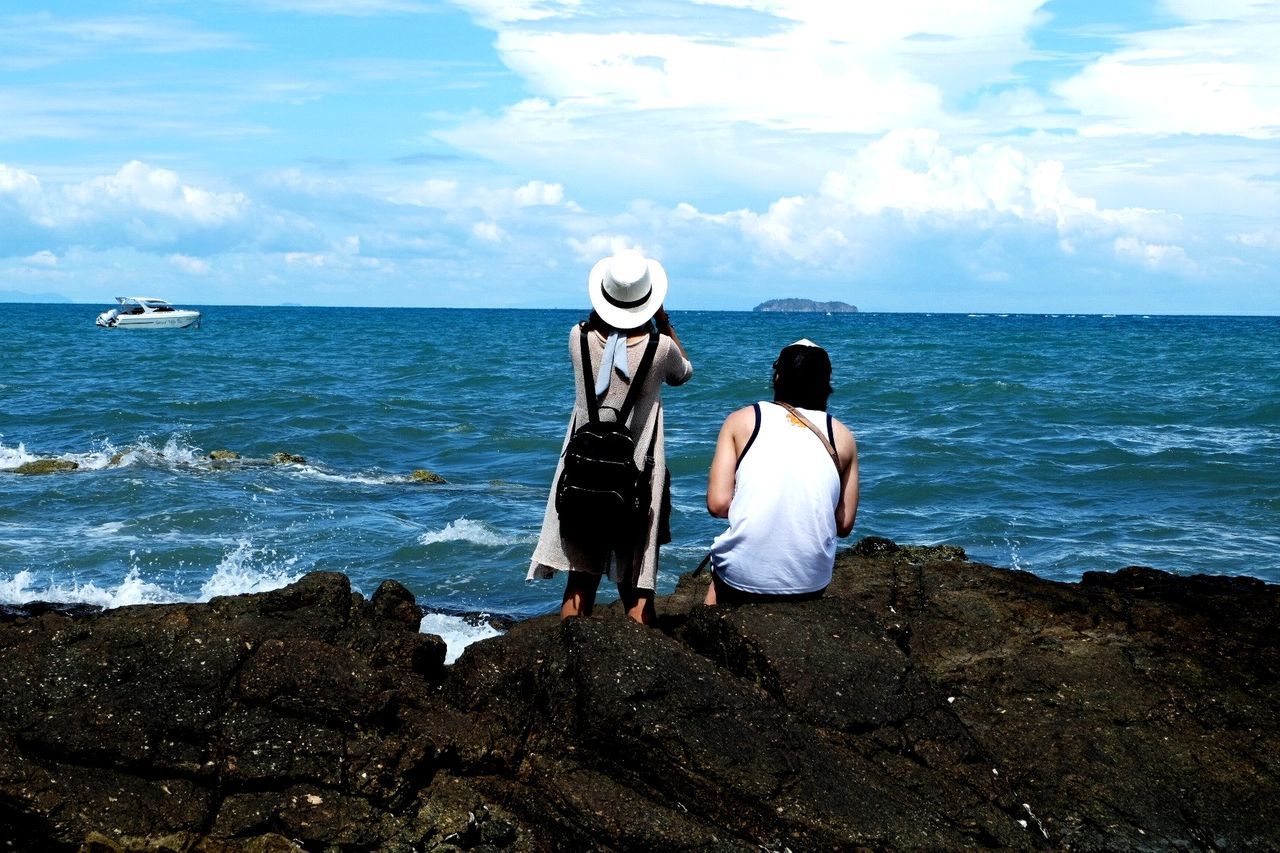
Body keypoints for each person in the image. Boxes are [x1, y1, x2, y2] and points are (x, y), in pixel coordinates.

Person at [528, 249, 692, 624]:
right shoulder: (660, 348)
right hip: (636, 476)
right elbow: (684, 373)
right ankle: (637, 661)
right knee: (635, 579)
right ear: (648, 300)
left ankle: (570, 659)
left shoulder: (578, 337)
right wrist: (664, 322)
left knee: (580, 577)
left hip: (582, 470)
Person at [703, 339, 858, 605]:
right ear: (826, 384)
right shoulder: (842, 436)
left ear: (777, 376)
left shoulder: (741, 420)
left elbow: (718, 505)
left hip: (742, 580)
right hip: (812, 581)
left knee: (716, 590)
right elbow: (844, 525)